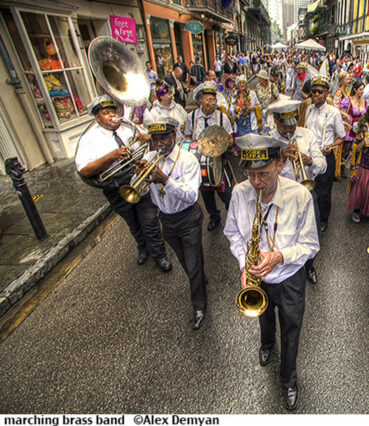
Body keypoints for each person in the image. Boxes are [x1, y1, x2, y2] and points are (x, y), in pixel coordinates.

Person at [223, 134, 319, 411]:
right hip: (256, 277)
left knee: (291, 330)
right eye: (250, 174)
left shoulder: (300, 195)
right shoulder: (240, 193)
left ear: (280, 163)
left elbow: (311, 244)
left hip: (289, 278)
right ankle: (267, 344)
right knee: (263, 318)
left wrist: (279, 256)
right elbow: (233, 233)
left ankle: (288, 379)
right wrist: (244, 265)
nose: (256, 183)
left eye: (263, 174)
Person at [75, 95, 171, 272]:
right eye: (106, 113)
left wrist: (146, 138)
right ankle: (142, 247)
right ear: (97, 117)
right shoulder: (89, 139)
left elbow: (150, 142)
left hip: (139, 181)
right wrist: (111, 156)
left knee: (150, 221)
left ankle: (159, 255)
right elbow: (85, 170)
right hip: (116, 188)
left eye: (113, 111)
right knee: (133, 222)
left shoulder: (128, 127)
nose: (112, 115)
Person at [133, 116, 206, 330]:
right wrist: (138, 177)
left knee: (192, 265)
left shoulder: (187, 160)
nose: (159, 144)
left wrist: (164, 179)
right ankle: (200, 279)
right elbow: (139, 191)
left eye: (164, 138)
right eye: (155, 139)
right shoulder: (150, 156)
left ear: (174, 135)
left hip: (188, 218)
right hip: (166, 218)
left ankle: (199, 305)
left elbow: (191, 195)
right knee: (186, 261)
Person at [266, 98, 326, 285]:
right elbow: (261, 176)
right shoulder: (268, 140)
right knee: (282, 235)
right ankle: (285, 267)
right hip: (279, 196)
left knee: (312, 233)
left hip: (306, 193)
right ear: (275, 120)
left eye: (292, 125)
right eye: (284, 126)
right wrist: (280, 156)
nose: (289, 130)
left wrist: (310, 162)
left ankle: (309, 266)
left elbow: (323, 165)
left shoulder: (306, 135)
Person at [186, 82, 235, 231]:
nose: (213, 103)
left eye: (214, 100)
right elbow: (188, 137)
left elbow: (231, 138)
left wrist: (222, 146)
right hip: (200, 163)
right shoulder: (192, 117)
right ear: (201, 101)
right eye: (209, 100)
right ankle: (214, 217)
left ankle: (234, 218)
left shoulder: (222, 117)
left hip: (219, 160)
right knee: (206, 194)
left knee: (227, 193)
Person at [305, 75, 346, 232]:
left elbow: (342, 137)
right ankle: (311, 216)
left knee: (323, 192)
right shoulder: (308, 109)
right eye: (313, 91)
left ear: (327, 93)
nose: (315, 94)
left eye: (319, 92)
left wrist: (330, 146)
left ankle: (323, 219)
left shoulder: (333, 113)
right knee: (309, 188)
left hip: (325, 157)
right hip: (310, 158)